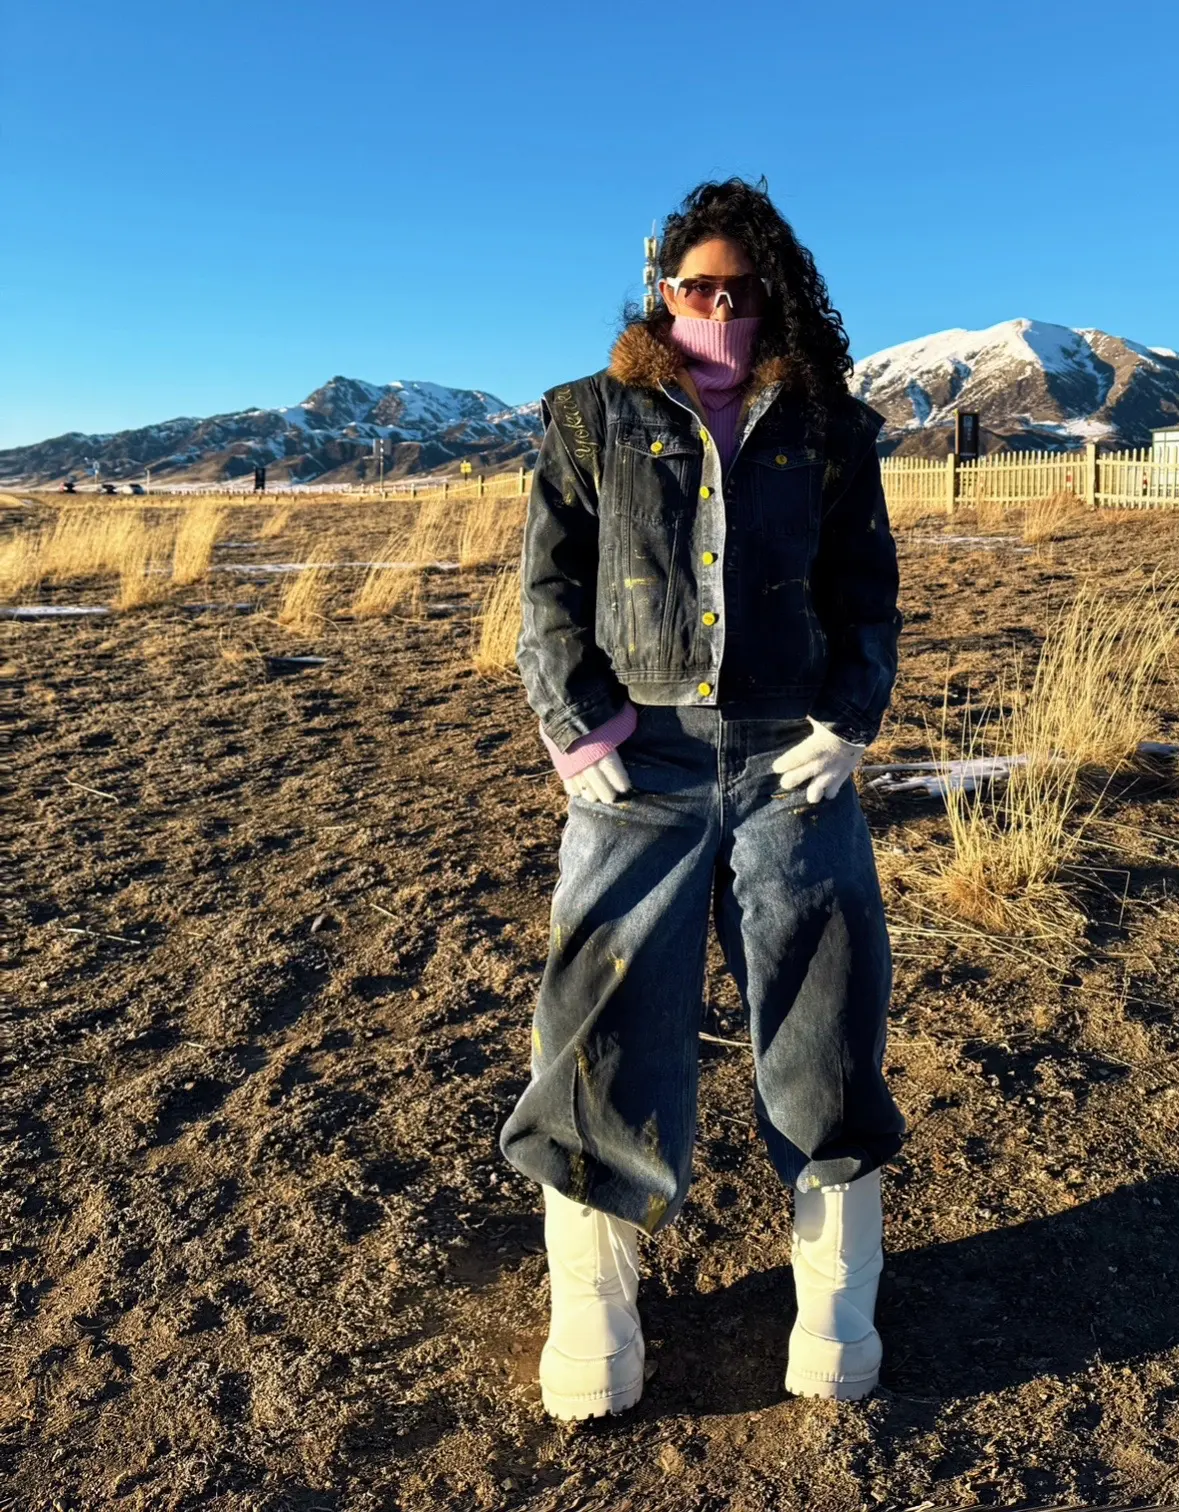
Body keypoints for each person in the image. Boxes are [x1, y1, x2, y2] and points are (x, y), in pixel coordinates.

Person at [500, 178, 905, 1420]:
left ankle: (836, 1304)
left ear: (774, 294)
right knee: (603, 1010)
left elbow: (866, 588)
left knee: (823, 1008)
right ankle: (594, 1308)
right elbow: (550, 590)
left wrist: (848, 719)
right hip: (641, 763)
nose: (718, 310)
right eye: (696, 288)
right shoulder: (590, 417)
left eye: (740, 290)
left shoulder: (829, 425)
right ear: (661, 292)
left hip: (792, 759)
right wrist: (580, 725)